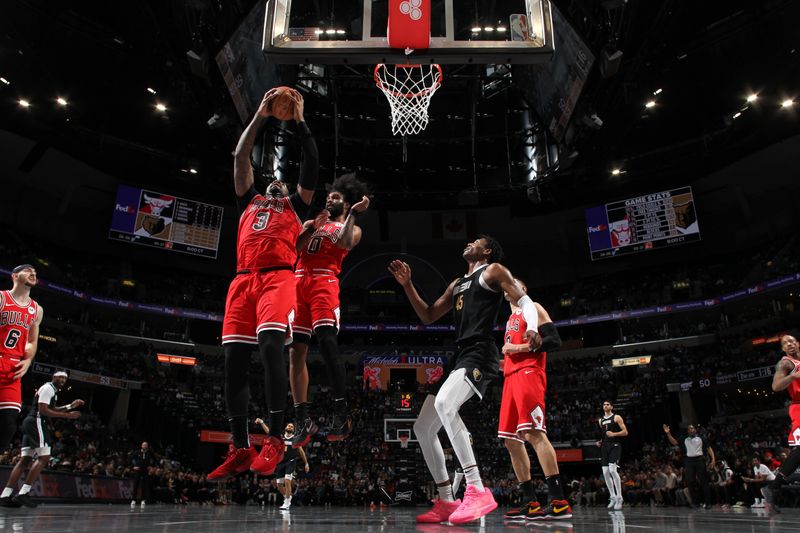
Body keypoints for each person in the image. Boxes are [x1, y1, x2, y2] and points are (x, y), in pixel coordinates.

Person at [388, 236, 543, 525]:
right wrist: (408, 285)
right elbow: (429, 315)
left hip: (480, 352)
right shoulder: (457, 282)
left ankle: (477, 488)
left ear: (486, 250)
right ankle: (447, 500)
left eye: (476, 242)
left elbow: (525, 301)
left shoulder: (493, 270)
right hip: (458, 355)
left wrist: (532, 327)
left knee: (447, 403)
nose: (468, 243)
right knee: (423, 428)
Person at [209, 88, 320, 481]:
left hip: (278, 278)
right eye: (270, 180)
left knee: (272, 347)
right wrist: (259, 114)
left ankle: (275, 438)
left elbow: (312, 164)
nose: (276, 182)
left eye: (281, 182)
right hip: (242, 281)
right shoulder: (248, 201)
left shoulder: (296, 206)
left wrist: (301, 120)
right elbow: (240, 157)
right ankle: (240, 445)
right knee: (233, 363)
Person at [288, 174, 370, 446]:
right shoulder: (313, 223)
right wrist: (311, 228)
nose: (329, 200)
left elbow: (346, 242)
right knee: (295, 352)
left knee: (326, 345)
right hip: (298, 282)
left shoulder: (350, 227)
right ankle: (303, 419)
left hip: (324, 281)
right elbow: (293, 250)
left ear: (346, 204)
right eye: (328, 197)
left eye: (335, 198)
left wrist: (353, 216)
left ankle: (341, 413)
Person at [496, 280, 571, 521]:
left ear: (523, 290)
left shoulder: (534, 308)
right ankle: (530, 502)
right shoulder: (509, 320)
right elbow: (514, 351)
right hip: (511, 378)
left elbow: (554, 341)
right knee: (510, 441)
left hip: (529, 373)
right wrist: (503, 363)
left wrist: (516, 350)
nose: (507, 285)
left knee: (534, 433)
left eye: (513, 283)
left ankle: (559, 501)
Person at [0, 371, 82, 508]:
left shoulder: (52, 391)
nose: (63, 380)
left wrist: (70, 407)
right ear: (54, 377)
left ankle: (4, 496)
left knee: (24, 460)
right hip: (36, 421)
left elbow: (52, 408)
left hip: (31, 422)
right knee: (45, 456)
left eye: (65, 378)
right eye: (60, 377)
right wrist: (68, 416)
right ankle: (23, 493)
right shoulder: (48, 388)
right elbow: (43, 410)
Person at [0, 265, 44, 448]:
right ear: (15, 276)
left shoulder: (37, 309)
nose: (33, 273)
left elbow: (32, 341)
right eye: (28, 271)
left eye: (35, 271)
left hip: (13, 369)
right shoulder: (2, 298)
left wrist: (27, 360)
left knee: (8, 425)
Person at [761, 333, 800, 513]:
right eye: (785, 343)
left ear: (797, 343)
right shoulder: (786, 363)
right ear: (783, 349)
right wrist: (793, 377)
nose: (789, 344)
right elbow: (776, 386)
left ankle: (773, 489)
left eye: (791, 341)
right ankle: (773, 487)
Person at [251, 418, 309, 510]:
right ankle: (288, 496)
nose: (290, 427)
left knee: (287, 480)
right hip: (280, 462)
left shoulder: (295, 439)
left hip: (291, 461)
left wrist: (306, 463)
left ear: (293, 430)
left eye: (292, 426)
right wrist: (262, 422)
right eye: (289, 425)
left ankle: (286, 502)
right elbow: (270, 432)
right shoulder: (280, 437)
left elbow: (301, 451)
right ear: (285, 427)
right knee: (279, 485)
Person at [663, 423, 715, 508]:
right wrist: (668, 433)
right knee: (690, 482)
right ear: (687, 431)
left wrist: (713, 459)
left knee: (704, 482)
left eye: (692, 428)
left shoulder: (701, 438)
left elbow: (709, 448)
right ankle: (695, 502)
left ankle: (708, 503)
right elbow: (674, 442)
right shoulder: (684, 439)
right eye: (689, 429)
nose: (691, 430)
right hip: (689, 461)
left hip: (700, 460)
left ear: (695, 430)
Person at [597, 400, 628, 510]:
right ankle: (613, 496)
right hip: (604, 447)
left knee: (613, 470)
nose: (605, 406)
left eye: (607, 404)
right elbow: (604, 434)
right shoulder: (600, 420)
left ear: (611, 406)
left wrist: (614, 434)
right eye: (604, 404)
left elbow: (625, 432)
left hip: (615, 445)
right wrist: (600, 441)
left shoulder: (616, 417)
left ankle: (620, 497)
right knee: (605, 472)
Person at [130, 441, 155, 509]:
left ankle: (143, 500)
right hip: (138, 470)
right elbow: (130, 459)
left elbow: (154, 460)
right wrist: (133, 466)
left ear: (147, 446)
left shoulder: (149, 453)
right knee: (136, 484)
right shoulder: (137, 452)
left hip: (145, 471)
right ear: (141, 446)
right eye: (143, 445)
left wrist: (151, 466)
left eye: (146, 445)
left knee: (144, 485)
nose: (145, 446)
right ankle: (133, 500)